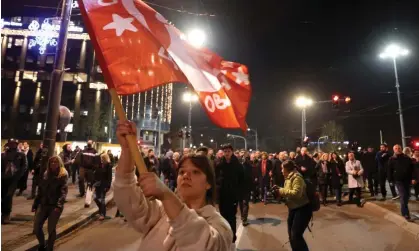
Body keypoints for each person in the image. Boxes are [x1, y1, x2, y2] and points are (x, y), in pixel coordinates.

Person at [113, 121, 233, 251]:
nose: (186, 175)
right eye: (182, 172)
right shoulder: (161, 212)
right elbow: (128, 196)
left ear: (208, 183)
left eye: (196, 172)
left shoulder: (220, 226)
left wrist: (166, 195)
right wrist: (127, 149)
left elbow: (204, 244)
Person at [32, 156, 68, 251]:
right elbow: (40, 191)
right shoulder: (46, 174)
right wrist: (35, 204)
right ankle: (42, 244)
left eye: (55, 162)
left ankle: (50, 248)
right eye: (51, 162)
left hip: (54, 206)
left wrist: (59, 205)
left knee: (51, 229)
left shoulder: (62, 175)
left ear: (59, 163)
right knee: (37, 227)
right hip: (43, 204)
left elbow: (63, 192)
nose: (53, 164)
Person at [274, 160, 312, 251]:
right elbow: (288, 191)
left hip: (302, 209)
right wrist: (278, 190)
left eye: (282, 168)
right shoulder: (288, 177)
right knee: (291, 235)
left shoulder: (296, 177)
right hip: (293, 209)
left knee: (296, 235)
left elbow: (296, 193)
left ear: (287, 169)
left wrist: (281, 191)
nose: (281, 171)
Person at [216, 143, 243, 244]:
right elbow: (215, 177)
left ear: (232, 152)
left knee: (232, 217)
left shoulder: (237, 164)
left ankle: (232, 237)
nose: (226, 153)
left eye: (228, 151)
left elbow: (242, 179)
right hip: (222, 195)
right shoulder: (218, 163)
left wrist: (239, 193)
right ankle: (224, 237)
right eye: (225, 151)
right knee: (222, 217)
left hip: (233, 195)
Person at [1, 139, 28, 224]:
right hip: (3, 178)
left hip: (13, 179)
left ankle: (6, 215)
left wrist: (18, 175)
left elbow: (24, 166)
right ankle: (3, 213)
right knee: (2, 196)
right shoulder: (3, 154)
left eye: (14, 143)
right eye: (11, 143)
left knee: (8, 196)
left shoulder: (21, 155)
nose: (12, 145)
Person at [388, 144, 414, 221]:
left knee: (406, 196)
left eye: (399, 148)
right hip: (398, 180)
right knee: (403, 195)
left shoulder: (407, 158)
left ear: (401, 149)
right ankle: (406, 213)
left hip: (407, 180)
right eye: (396, 148)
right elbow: (389, 171)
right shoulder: (391, 159)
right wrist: (390, 181)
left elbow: (411, 170)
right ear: (394, 150)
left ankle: (403, 211)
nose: (398, 149)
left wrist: (413, 178)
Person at [93, 153, 113, 220]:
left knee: (102, 199)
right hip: (97, 184)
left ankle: (103, 214)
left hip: (103, 184)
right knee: (95, 198)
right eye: (100, 158)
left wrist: (108, 186)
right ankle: (101, 210)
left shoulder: (108, 165)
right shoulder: (99, 165)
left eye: (102, 158)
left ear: (105, 158)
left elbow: (109, 177)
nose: (101, 159)